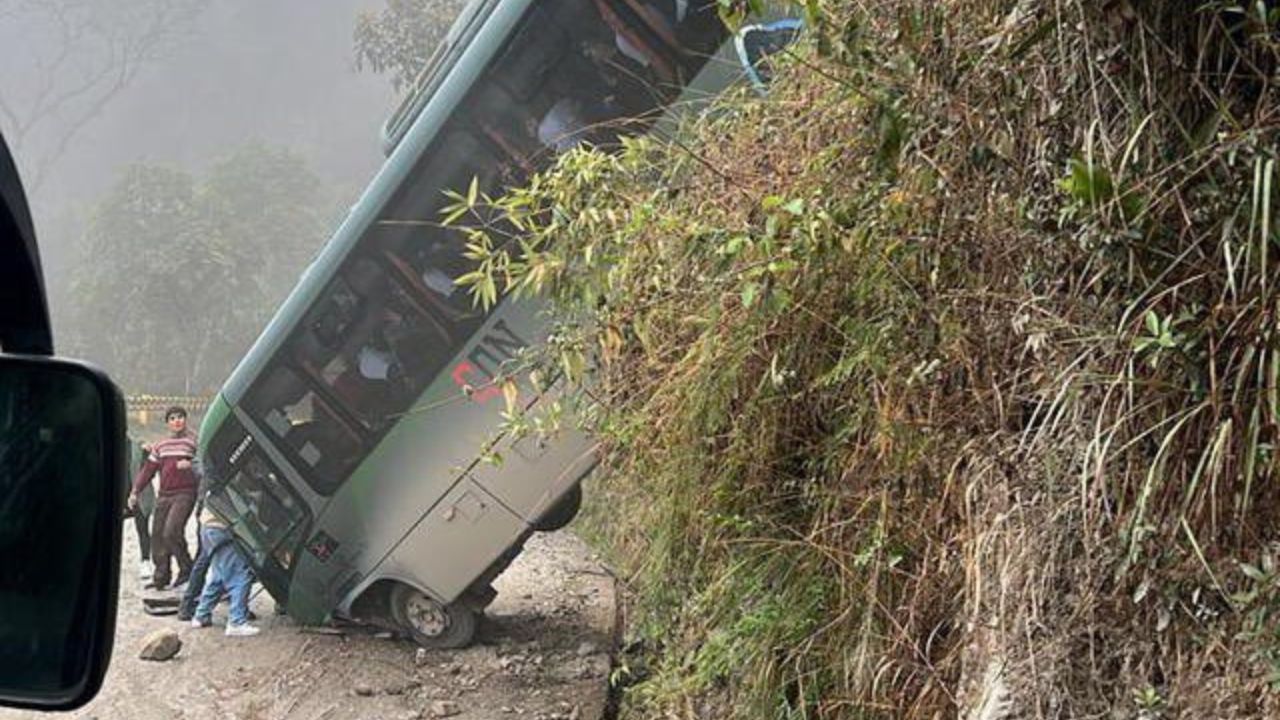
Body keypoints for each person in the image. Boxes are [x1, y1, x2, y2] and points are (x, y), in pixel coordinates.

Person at [128, 406, 199, 590]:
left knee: (172, 531)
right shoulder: (160, 445)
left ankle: (186, 572)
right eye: (173, 418)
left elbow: (204, 463)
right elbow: (148, 471)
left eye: (181, 417)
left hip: (185, 493)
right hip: (164, 494)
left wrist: (190, 464)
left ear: (185, 420)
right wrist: (135, 491)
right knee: (158, 536)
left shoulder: (193, 442)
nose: (177, 421)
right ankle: (161, 577)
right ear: (167, 422)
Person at [189, 506, 260, 637]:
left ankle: (201, 615)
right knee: (241, 576)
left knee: (218, 575)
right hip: (222, 527)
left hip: (207, 527)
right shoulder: (241, 486)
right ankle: (236, 622)